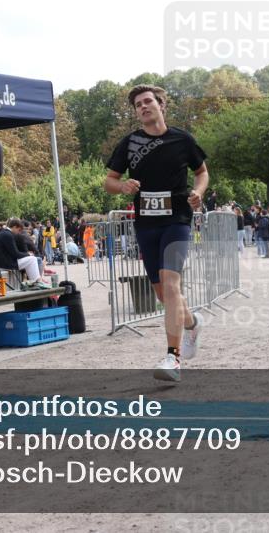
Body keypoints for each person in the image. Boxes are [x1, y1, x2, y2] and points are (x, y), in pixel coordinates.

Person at [104, 84, 208, 382]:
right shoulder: (130, 143)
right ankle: (192, 324)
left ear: (161, 105)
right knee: (163, 294)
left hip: (177, 220)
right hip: (146, 224)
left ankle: (172, 358)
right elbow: (109, 181)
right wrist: (122, 186)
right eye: (138, 104)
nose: (143, 107)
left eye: (148, 101)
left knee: (171, 285)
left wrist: (199, 192)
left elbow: (202, 171)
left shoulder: (182, 139)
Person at [0, 218, 47, 287]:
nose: (19, 233)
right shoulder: (8, 235)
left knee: (31, 259)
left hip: (1, 262)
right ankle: (37, 282)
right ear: (15, 227)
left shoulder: (3, 233)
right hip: (5, 263)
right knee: (32, 259)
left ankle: (35, 281)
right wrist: (28, 254)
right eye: (19, 230)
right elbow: (16, 254)